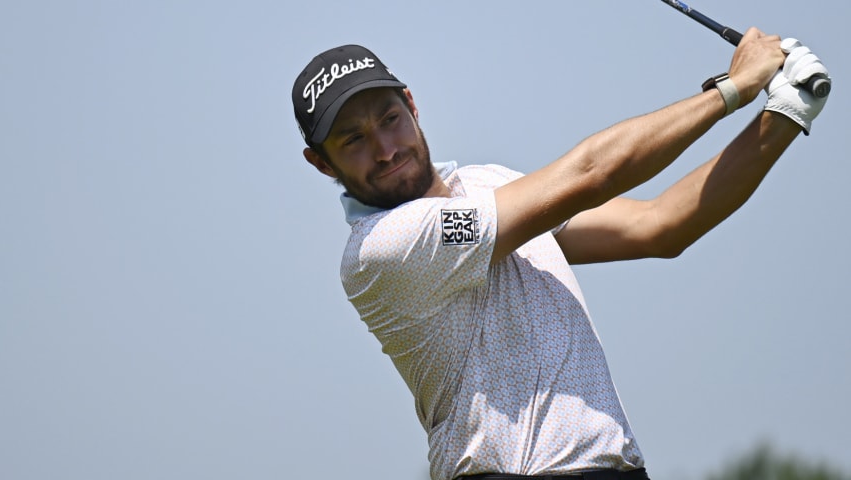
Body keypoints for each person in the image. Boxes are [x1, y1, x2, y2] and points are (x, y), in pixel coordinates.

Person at [291, 30, 830, 480]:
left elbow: (657, 226)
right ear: (321, 163)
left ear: (411, 104)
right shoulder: (381, 249)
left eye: (388, 118)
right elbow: (592, 174)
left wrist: (785, 111)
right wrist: (734, 88)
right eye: (353, 140)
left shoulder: (489, 186)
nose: (386, 149)